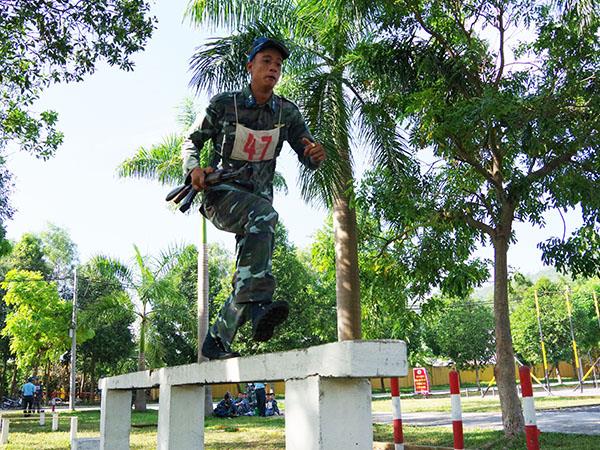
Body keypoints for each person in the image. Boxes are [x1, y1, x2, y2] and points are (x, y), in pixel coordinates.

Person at [182, 37, 326, 360]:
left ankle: (218, 340)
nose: (273, 68)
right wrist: (194, 169)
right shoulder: (225, 105)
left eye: (278, 64)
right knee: (266, 217)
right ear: (250, 67)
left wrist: (315, 155)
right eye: (266, 61)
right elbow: (190, 141)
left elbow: (308, 149)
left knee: (249, 273)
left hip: (256, 208)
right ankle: (260, 306)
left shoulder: (286, 113)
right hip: (222, 198)